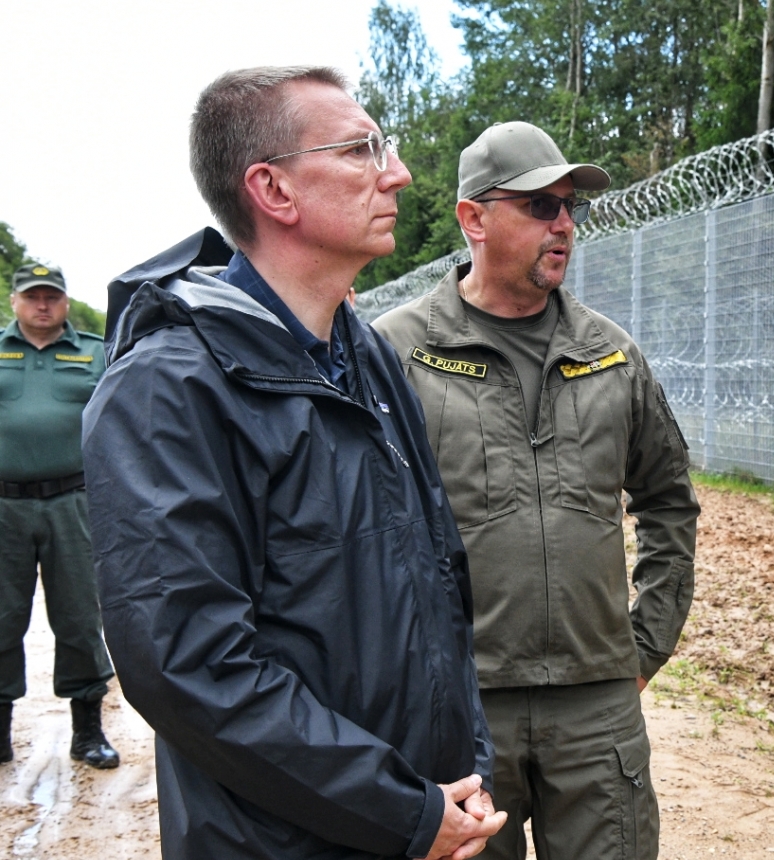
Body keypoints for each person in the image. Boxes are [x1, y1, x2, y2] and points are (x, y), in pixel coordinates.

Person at [82, 66, 504, 860]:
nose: (398, 173)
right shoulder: (169, 389)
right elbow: (192, 668)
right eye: (360, 150)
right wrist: (401, 811)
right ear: (274, 191)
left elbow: (438, 585)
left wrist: (459, 775)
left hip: (421, 816)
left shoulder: (368, 358)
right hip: (280, 841)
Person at [373, 121, 699, 860]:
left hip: (596, 709)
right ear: (474, 219)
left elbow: (670, 501)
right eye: (539, 206)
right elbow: (363, 526)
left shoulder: (610, 355)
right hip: (458, 708)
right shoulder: (400, 351)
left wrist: (645, 643)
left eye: (569, 208)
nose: (563, 224)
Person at [0, 264, 118, 770]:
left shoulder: (93, 352)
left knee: (78, 617)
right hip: (3, 506)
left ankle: (87, 731)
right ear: (15, 301)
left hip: (73, 501)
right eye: (33, 296)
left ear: (66, 302)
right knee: (1, 617)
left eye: (51, 296)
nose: (42, 304)